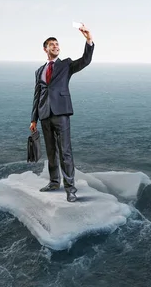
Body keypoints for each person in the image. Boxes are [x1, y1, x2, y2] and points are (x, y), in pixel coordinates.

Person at [29, 25, 94, 202]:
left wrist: (88, 40)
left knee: (65, 151)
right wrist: (33, 119)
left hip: (61, 113)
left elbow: (85, 61)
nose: (56, 46)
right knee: (51, 152)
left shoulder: (66, 65)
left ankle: (71, 189)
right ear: (45, 49)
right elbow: (37, 95)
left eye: (57, 44)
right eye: (52, 44)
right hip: (44, 115)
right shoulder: (39, 71)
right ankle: (54, 182)